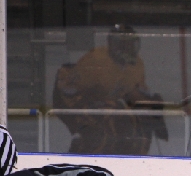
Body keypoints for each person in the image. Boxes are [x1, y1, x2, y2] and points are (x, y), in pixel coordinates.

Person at [53, 24, 168, 155]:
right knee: (105, 125)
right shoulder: (95, 61)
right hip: (72, 100)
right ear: (114, 45)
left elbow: (133, 93)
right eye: (126, 44)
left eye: (132, 44)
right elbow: (70, 93)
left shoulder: (137, 64)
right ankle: (83, 155)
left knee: (130, 123)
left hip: (107, 105)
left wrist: (151, 107)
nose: (130, 48)